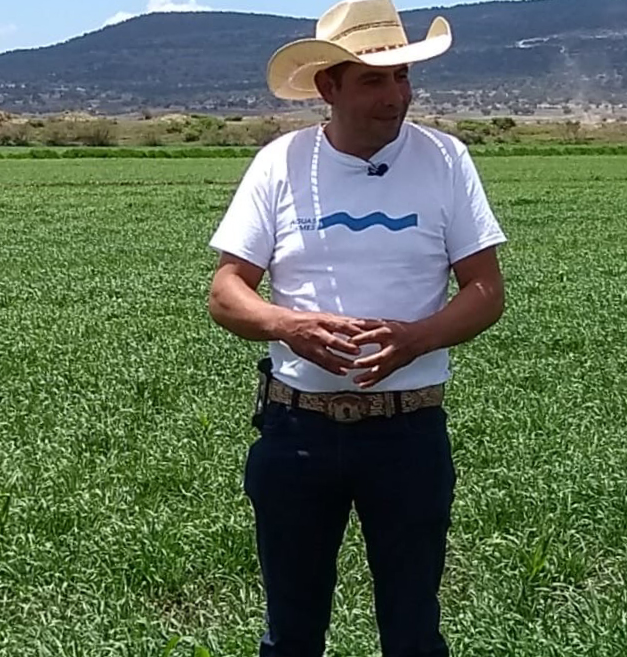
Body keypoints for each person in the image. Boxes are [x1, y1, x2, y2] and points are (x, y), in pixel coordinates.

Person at [205, 1, 508, 655]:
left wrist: (416, 339)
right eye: (374, 79)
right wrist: (289, 325)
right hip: (296, 433)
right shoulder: (280, 165)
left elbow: (486, 291)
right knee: (291, 636)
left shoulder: (446, 161)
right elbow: (226, 293)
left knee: (413, 634)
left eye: (401, 76)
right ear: (327, 87)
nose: (396, 95)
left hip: (409, 434)